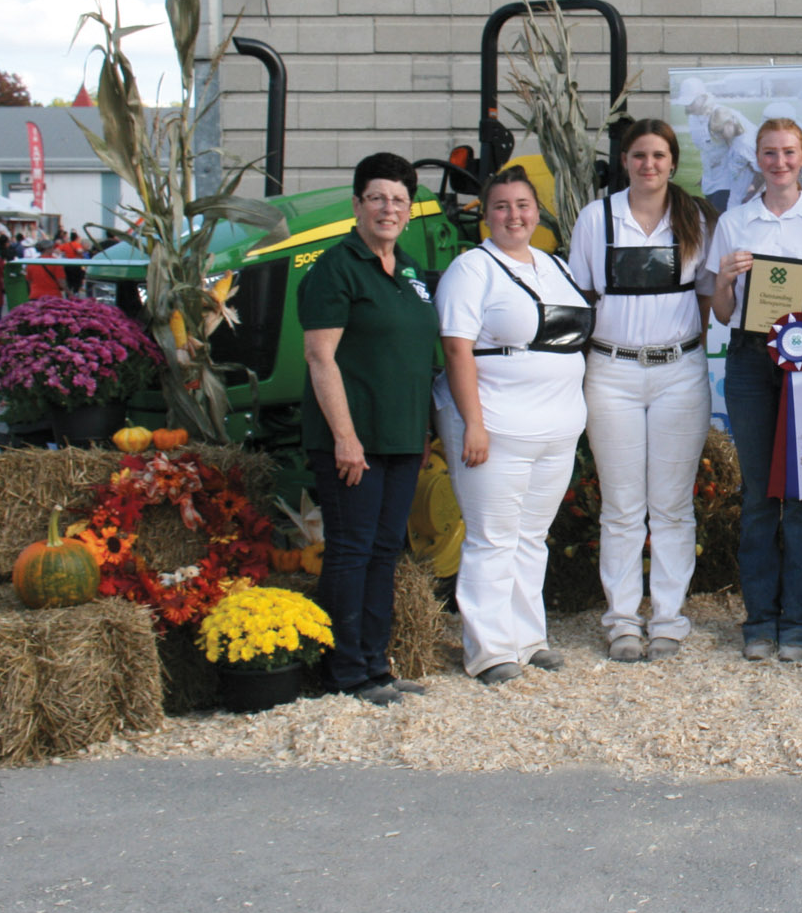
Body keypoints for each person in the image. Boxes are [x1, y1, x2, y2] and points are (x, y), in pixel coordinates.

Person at [435, 166, 591, 685]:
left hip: (557, 429)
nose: (514, 216)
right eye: (501, 206)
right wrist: (472, 423)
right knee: (492, 538)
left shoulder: (553, 265)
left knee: (531, 536)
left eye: (522, 205)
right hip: (496, 427)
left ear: (536, 211)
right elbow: (457, 348)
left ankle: (529, 637)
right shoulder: (472, 269)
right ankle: (488, 650)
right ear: (486, 214)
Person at [705, 117, 802, 663]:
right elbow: (722, 312)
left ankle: (800, 623)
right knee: (759, 496)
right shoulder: (734, 222)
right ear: (756, 160)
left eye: (789, 152)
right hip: (748, 363)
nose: (780, 162)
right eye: (769, 153)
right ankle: (760, 621)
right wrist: (723, 280)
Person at [568, 121, 714, 664]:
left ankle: (670, 618)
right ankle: (623, 620)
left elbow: (704, 296)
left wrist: (676, 342)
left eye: (658, 155)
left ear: (672, 162)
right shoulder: (596, 218)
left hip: (680, 373)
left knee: (673, 506)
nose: (648, 164)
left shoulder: (695, 218)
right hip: (612, 374)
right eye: (638, 155)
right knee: (623, 506)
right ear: (624, 161)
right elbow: (583, 294)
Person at [299, 153, 441, 706]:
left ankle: (376, 665)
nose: (389, 208)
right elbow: (320, 358)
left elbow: (412, 356)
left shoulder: (407, 270)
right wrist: (344, 435)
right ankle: (344, 671)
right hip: (353, 441)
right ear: (357, 204)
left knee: (385, 550)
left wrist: (423, 430)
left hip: (402, 436)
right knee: (352, 549)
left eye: (399, 200)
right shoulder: (335, 269)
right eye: (378, 197)